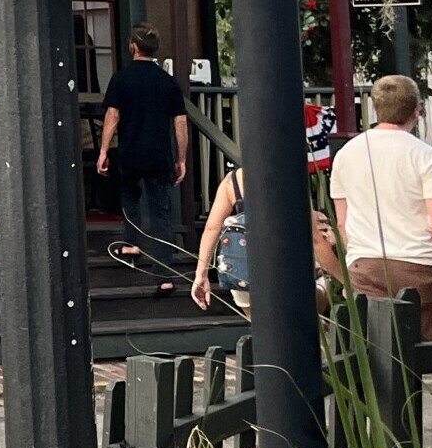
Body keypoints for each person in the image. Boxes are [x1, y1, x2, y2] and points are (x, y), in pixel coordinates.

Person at [330, 74, 432, 341]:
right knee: (429, 355)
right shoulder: (428, 158)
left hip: (365, 266)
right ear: (416, 111)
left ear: (376, 108)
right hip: (422, 269)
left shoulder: (346, 155)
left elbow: (343, 223)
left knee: (375, 355)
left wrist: (352, 259)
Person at [97, 24, 190, 291]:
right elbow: (180, 122)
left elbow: (113, 116)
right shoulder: (167, 82)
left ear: (133, 47)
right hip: (159, 153)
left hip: (130, 150)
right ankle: (164, 275)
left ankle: (131, 244)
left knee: (130, 196)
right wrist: (180, 157)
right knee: (160, 211)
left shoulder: (122, 78)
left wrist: (104, 149)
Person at [191, 161, 350, 314]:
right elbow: (315, 241)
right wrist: (346, 281)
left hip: (244, 275)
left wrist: (201, 274)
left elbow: (212, 228)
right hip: (288, 274)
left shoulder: (232, 181)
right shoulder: (291, 178)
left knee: (261, 335)